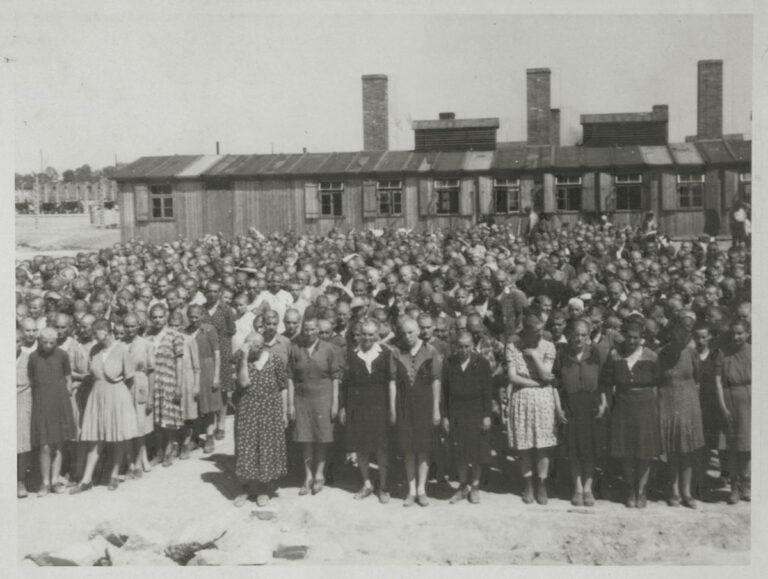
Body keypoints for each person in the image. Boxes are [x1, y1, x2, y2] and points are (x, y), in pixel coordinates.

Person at [70, 319, 138, 493]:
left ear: (107, 331)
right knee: (95, 439)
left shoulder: (122, 350)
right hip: (97, 397)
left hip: (118, 397)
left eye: (97, 331)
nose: (94, 335)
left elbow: (130, 379)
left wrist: (126, 404)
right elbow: (91, 373)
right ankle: (86, 480)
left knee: (117, 436)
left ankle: (114, 475)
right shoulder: (95, 350)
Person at [601, 320, 661, 508]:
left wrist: (656, 409)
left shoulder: (651, 356)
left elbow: (657, 384)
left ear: (642, 338)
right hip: (623, 406)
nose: (632, 341)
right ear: (624, 336)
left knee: (644, 452)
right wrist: (606, 405)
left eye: (636, 338)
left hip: (645, 406)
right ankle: (630, 488)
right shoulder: (615, 355)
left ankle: (641, 490)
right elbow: (607, 382)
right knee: (626, 451)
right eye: (629, 337)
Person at [339, 318, 396, 504]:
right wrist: (344, 407)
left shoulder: (386, 353)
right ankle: (367, 484)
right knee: (361, 447)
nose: (367, 338)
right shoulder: (352, 354)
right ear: (358, 335)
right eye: (363, 334)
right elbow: (346, 384)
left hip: (380, 406)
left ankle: (384, 486)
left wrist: (391, 408)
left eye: (371, 334)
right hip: (358, 407)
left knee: (381, 448)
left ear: (377, 335)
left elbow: (391, 382)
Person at [506, 311, 559, 505]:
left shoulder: (548, 346)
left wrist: (534, 355)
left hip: (544, 401)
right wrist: (536, 384)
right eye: (534, 331)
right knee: (525, 445)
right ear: (525, 330)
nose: (538, 335)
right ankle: (527, 484)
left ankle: (542, 483)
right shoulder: (513, 346)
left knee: (543, 445)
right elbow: (512, 376)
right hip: (522, 397)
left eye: (541, 330)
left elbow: (547, 375)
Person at [553, 318, 608, 507]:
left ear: (589, 335)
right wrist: (558, 407)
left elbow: (603, 382)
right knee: (574, 449)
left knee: (590, 450)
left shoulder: (596, 353)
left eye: (584, 335)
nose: (579, 338)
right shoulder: (562, 354)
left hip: (591, 405)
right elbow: (556, 384)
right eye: (576, 334)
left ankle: (588, 488)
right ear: (570, 335)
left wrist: (603, 404)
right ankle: (577, 487)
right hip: (571, 405)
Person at [391, 317, 442, 507]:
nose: (407, 336)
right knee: (408, 449)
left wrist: (436, 408)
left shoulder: (431, 351)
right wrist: (392, 408)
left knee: (423, 449)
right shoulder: (396, 351)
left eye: (411, 332)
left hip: (425, 405)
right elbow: (392, 382)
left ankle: (422, 490)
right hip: (404, 405)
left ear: (419, 331)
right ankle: (411, 490)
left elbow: (436, 380)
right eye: (404, 333)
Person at [287, 317, 341, 495]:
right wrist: (291, 405)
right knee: (306, 438)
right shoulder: (295, 349)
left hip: (323, 398)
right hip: (302, 399)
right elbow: (290, 378)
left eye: (312, 329)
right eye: (306, 329)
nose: (309, 333)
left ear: (318, 330)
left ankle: (319, 475)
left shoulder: (329, 349)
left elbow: (335, 377)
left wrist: (334, 403)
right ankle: (308, 476)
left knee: (322, 438)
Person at [234, 332, 289, 507]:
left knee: (266, 447)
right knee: (246, 447)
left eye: (253, 346)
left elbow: (283, 386)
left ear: (261, 346)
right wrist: (243, 358)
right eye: (247, 344)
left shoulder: (274, 360)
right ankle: (246, 488)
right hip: (248, 408)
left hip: (270, 409)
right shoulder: (242, 360)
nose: (250, 348)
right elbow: (243, 383)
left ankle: (264, 489)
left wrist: (284, 412)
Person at [657, 319, 705, 508]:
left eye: (687, 332)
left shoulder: (692, 352)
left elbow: (697, 377)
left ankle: (687, 492)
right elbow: (657, 378)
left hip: (688, 403)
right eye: (680, 331)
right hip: (668, 401)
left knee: (688, 450)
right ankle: (673, 490)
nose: (683, 335)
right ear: (672, 332)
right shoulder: (663, 352)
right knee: (672, 450)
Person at [442, 331, 493, 504]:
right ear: (455, 347)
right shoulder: (449, 363)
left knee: (477, 452)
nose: (463, 350)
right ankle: (463, 486)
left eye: (467, 346)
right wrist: (445, 417)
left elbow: (488, 391)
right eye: (460, 346)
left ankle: (476, 486)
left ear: (472, 346)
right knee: (460, 452)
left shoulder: (482, 363)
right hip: (456, 413)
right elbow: (445, 392)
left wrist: (487, 415)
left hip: (476, 412)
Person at [29, 327, 77, 496]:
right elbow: (31, 380)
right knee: (45, 445)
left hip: (59, 402)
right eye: (45, 342)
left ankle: (55, 480)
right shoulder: (33, 357)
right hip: (42, 403)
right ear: (39, 341)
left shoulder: (62, 355)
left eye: (52, 342)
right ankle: (45, 482)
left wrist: (68, 391)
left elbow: (68, 376)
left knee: (58, 443)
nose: (48, 345)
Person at [715, 320, 751, 503]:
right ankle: (734, 487)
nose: (736, 337)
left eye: (740, 333)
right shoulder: (723, 352)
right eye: (734, 333)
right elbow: (718, 381)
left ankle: (747, 485)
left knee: (747, 446)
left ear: (748, 333)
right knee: (731, 446)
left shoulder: (754, 351)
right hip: (729, 398)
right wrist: (722, 406)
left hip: (748, 399)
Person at [147, 304, 185, 467]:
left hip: (168, 380)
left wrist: (178, 385)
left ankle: (171, 447)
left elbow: (179, 362)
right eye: (154, 317)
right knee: (155, 419)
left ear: (166, 316)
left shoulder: (174, 335)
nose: (157, 320)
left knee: (168, 418)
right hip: (152, 382)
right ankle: (159, 451)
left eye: (160, 316)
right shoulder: (147, 336)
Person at [201, 281, 236, 442]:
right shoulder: (201, 310)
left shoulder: (226, 310)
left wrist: (228, 355)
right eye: (209, 291)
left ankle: (221, 423)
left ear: (220, 293)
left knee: (222, 389)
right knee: (209, 388)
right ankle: (210, 423)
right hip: (207, 353)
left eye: (215, 291)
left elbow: (231, 331)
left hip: (223, 350)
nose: (212, 294)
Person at [123, 313, 155, 476]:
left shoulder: (146, 344)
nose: (129, 330)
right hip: (123, 386)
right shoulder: (119, 344)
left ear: (138, 326)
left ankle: (141, 459)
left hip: (141, 384)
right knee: (127, 425)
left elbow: (151, 372)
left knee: (140, 424)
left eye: (133, 326)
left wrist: (150, 397)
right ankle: (130, 461)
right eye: (126, 326)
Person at [188, 304, 222, 453]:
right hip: (191, 370)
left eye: (197, 316)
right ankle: (194, 437)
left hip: (207, 368)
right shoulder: (186, 332)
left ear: (202, 316)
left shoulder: (209, 329)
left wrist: (216, 376)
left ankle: (209, 436)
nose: (194, 319)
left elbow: (217, 353)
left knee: (208, 406)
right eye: (191, 316)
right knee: (194, 404)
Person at [17, 327, 36, 498]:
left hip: (22, 402)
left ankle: (20, 480)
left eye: (16, 342)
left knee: (22, 444)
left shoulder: (28, 359)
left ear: (21, 342)